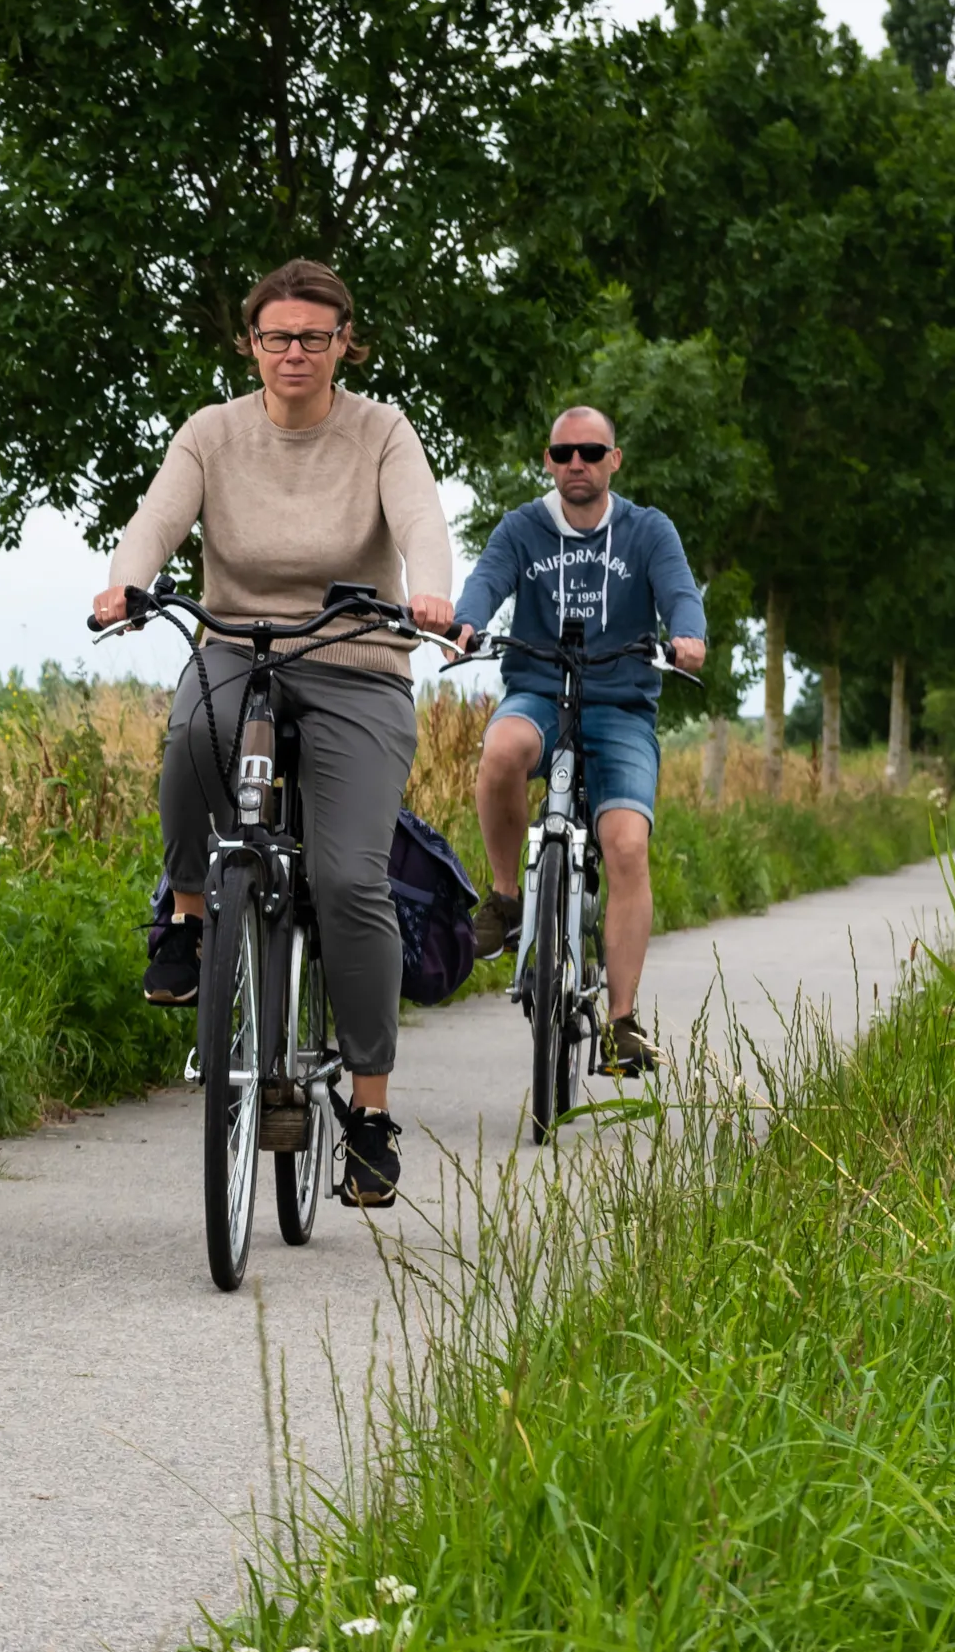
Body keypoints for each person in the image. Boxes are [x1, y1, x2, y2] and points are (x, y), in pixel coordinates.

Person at [92, 261, 458, 1209]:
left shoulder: (381, 430)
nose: (293, 353)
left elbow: (421, 517)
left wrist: (431, 596)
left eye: (313, 337)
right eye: (275, 336)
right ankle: (184, 912)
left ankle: (370, 1116)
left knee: (348, 879)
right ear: (249, 343)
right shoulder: (213, 433)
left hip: (357, 661)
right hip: (239, 646)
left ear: (346, 343)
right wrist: (128, 581)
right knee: (185, 736)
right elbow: (157, 519)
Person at [452, 406, 709, 1079]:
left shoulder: (648, 530)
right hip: (538, 689)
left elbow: (682, 594)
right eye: (564, 452)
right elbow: (485, 583)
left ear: (613, 460)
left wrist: (688, 637)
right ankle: (508, 899)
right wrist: (468, 621)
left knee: (626, 843)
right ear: (548, 459)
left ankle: (622, 1021)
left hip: (620, 701)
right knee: (502, 749)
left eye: (591, 451)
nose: (577, 463)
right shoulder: (522, 528)